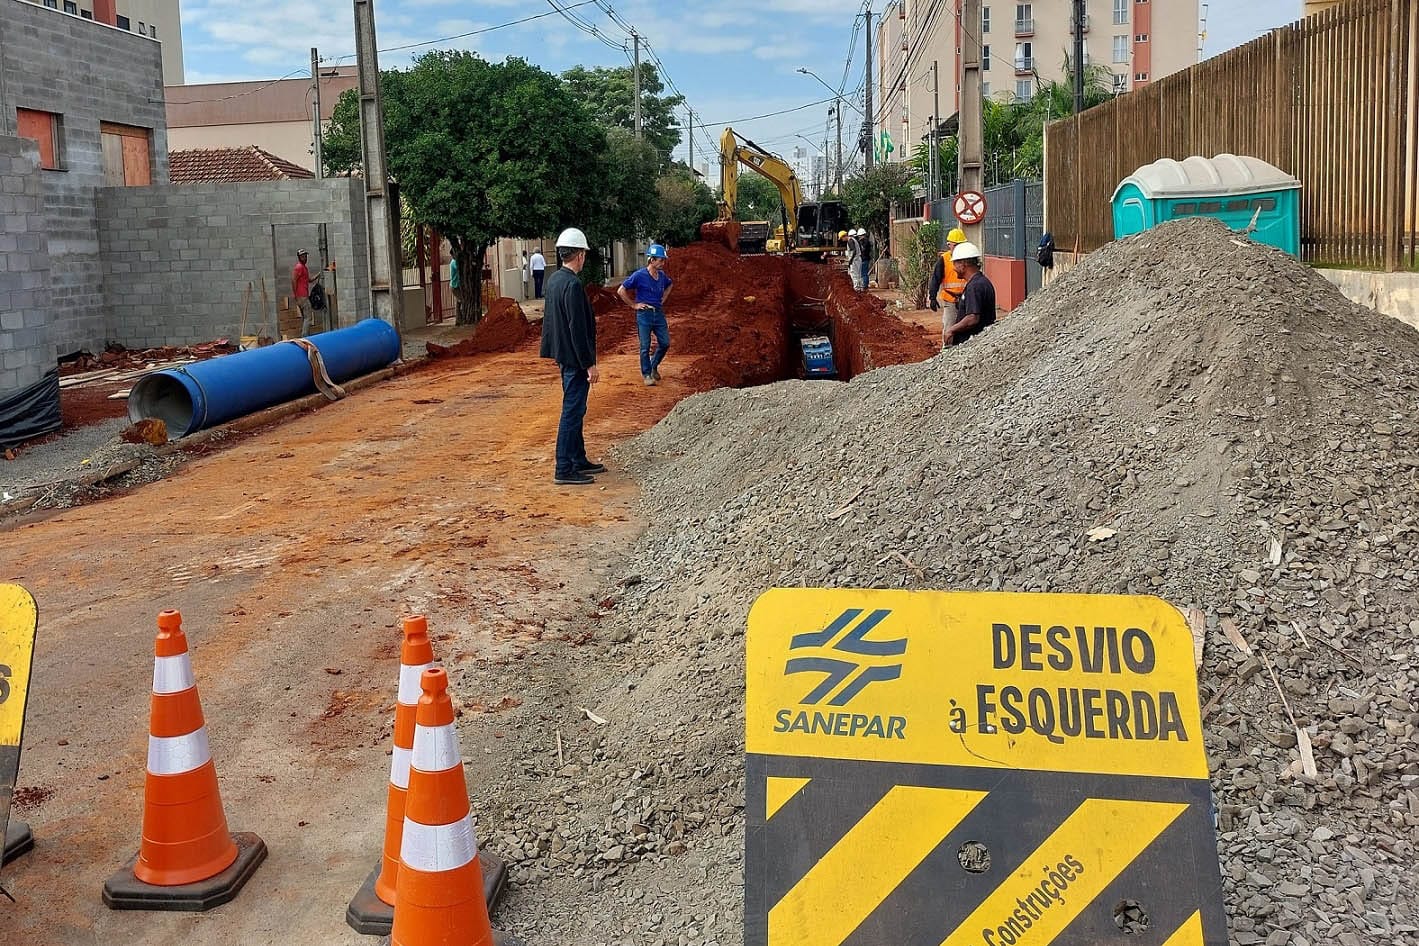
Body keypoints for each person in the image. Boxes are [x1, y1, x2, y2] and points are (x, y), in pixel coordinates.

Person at [539, 227, 605, 486]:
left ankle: (578, 458)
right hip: (576, 361)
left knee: (576, 409)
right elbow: (576, 328)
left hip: (564, 357)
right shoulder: (573, 285)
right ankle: (564, 467)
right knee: (572, 411)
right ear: (579, 255)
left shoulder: (554, 281)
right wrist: (589, 364)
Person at [618, 244, 674, 386]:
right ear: (652, 260)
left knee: (665, 343)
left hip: (658, 313)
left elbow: (670, 285)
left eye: (663, 260)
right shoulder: (639, 275)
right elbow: (621, 290)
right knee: (645, 346)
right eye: (661, 260)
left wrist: (663, 299)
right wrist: (634, 305)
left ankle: (653, 364)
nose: (663, 263)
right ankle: (647, 374)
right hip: (644, 314)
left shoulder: (662, 276)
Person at [943, 241, 996, 347]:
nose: (954, 268)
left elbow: (972, 318)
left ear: (963, 264)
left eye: (955, 264)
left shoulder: (974, 286)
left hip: (972, 344)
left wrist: (951, 330)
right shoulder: (981, 282)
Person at [928, 227, 969, 316]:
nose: (959, 248)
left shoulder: (968, 258)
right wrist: (932, 298)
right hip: (950, 300)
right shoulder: (944, 259)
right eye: (956, 245)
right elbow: (935, 279)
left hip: (967, 299)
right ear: (949, 244)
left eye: (961, 245)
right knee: (950, 327)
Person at [292, 248, 318, 336]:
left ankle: (305, 335)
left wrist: (318, 275)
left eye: (305, 256)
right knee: (308, 317)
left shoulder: (304, 268)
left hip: (304, 295)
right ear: (299, 257)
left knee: (305, 317)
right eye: (303, 256)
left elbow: (309, 280)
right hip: (302, 296)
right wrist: (296, 295)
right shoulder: (299, 267)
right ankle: (305, 336)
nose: (305, 258)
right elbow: (293, 280)